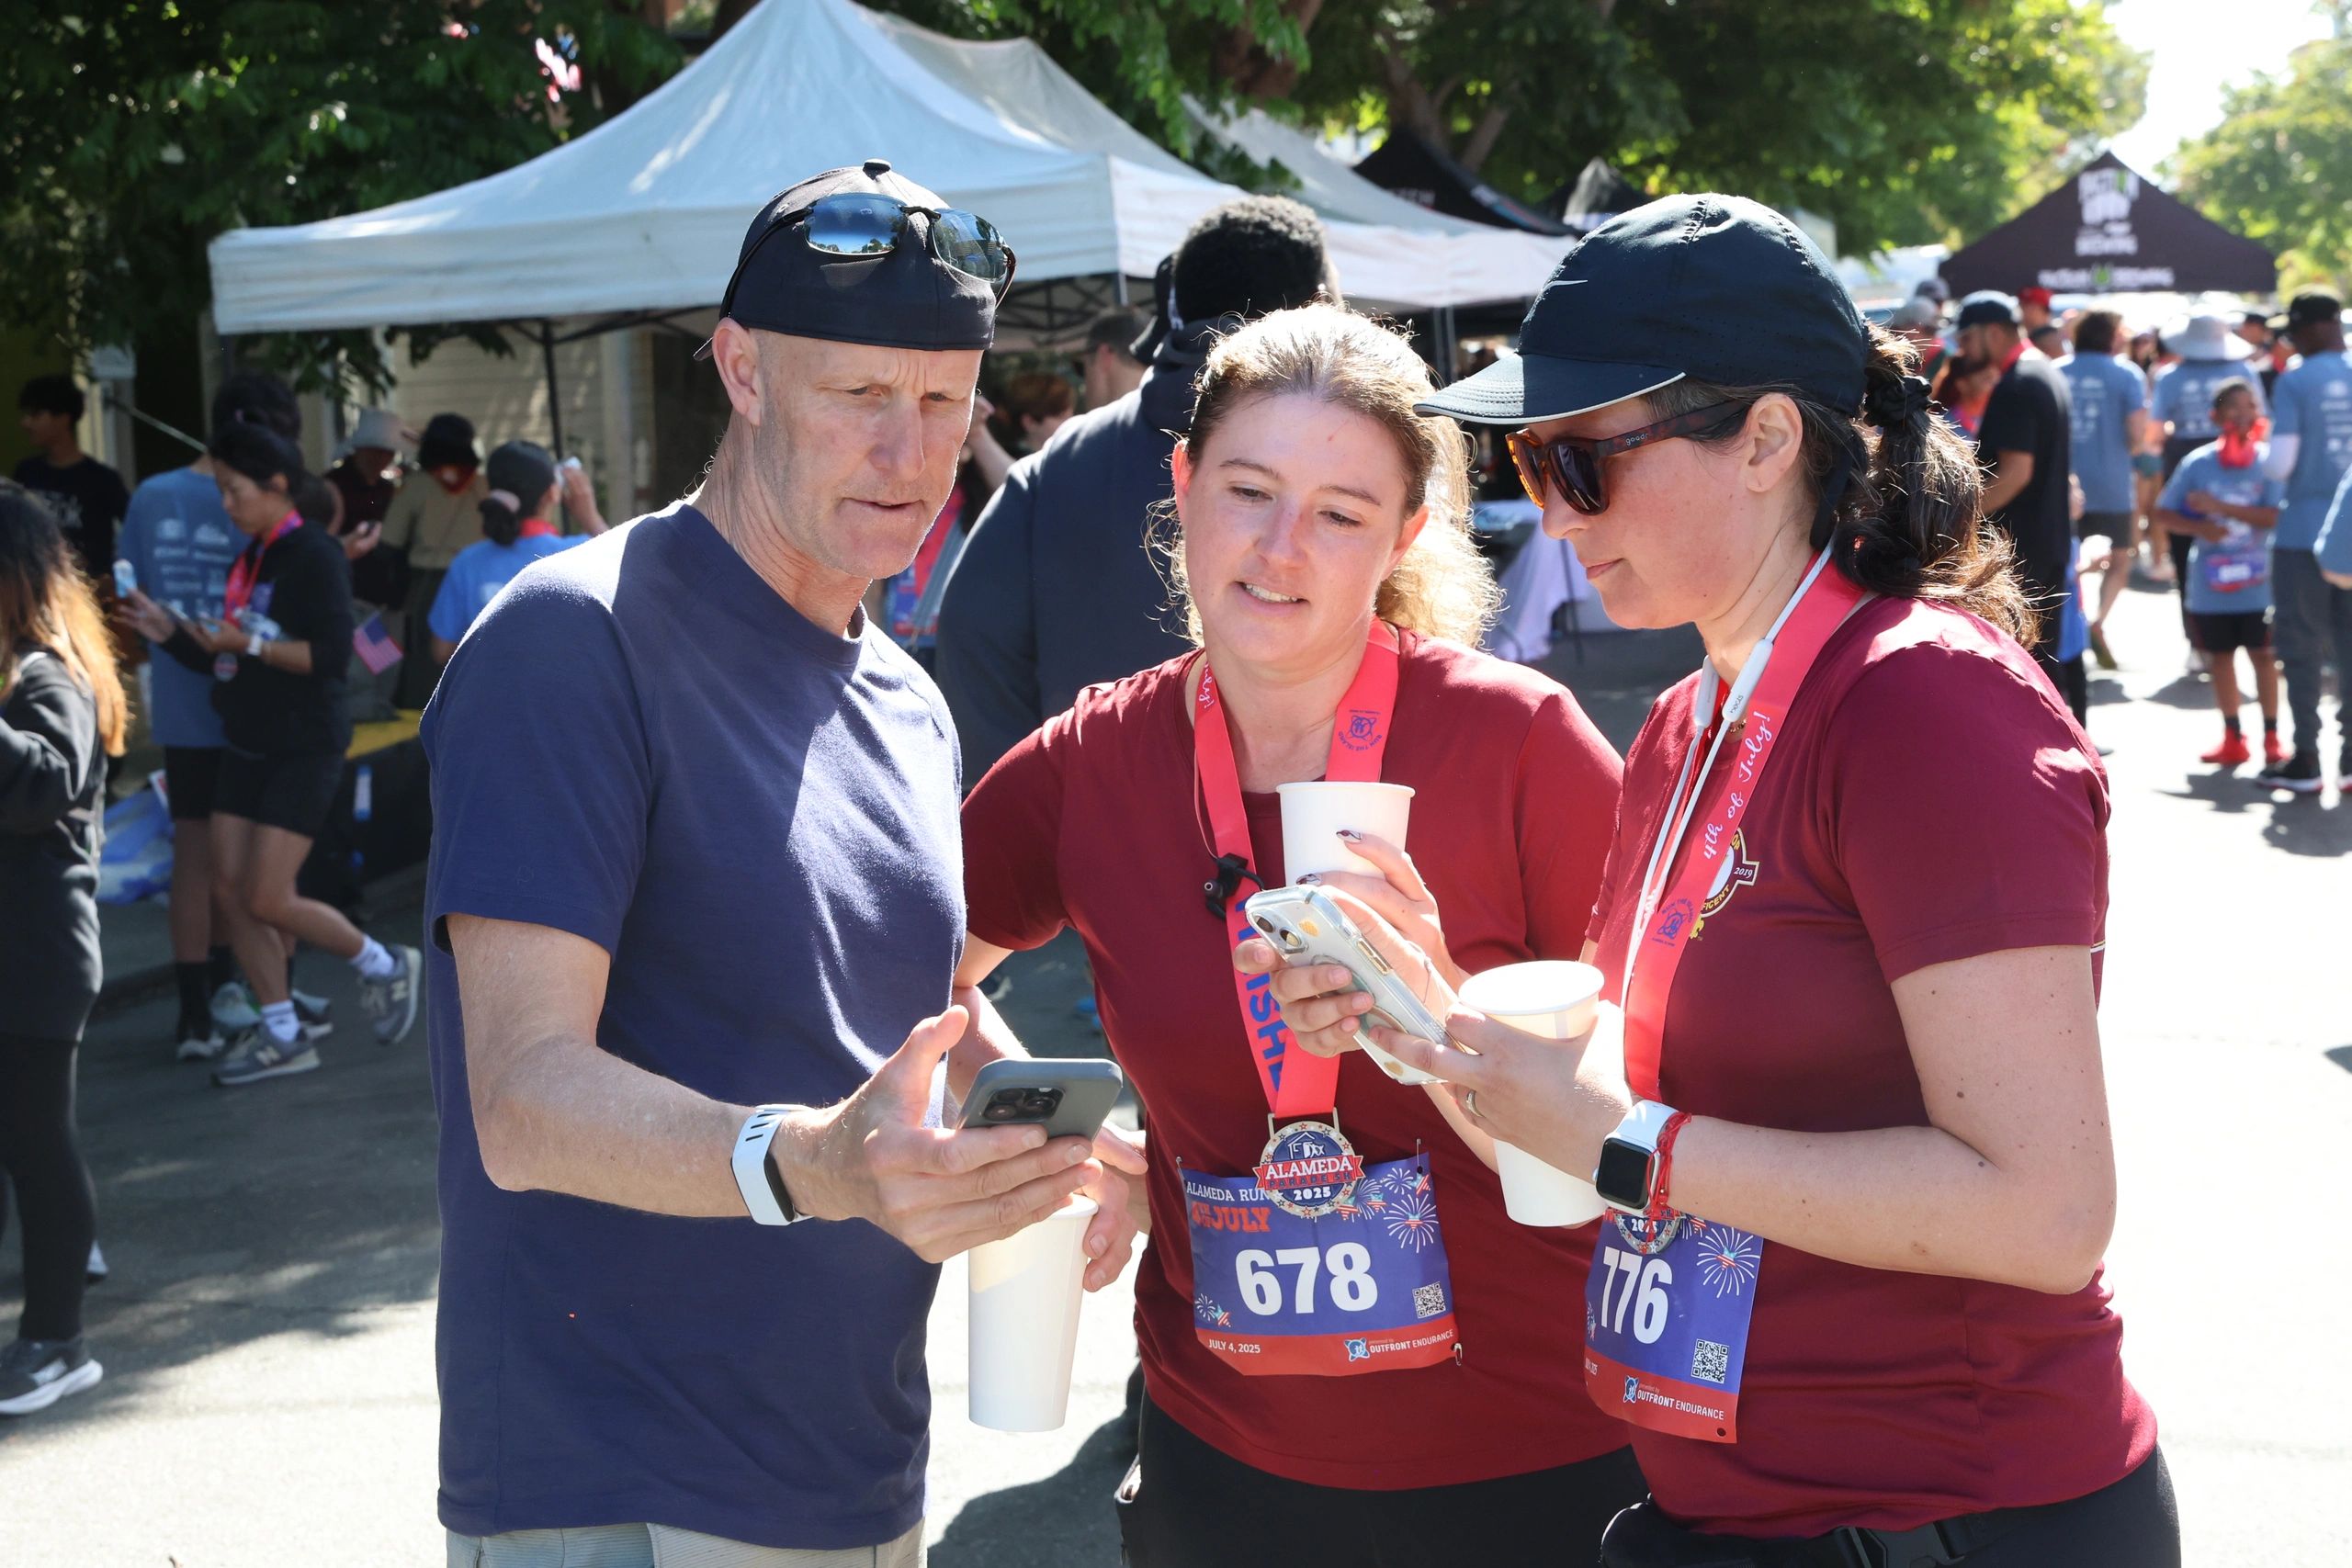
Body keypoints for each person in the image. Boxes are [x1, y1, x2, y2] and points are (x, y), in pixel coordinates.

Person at [1258, 194, 2175, 1565]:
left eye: (1585, 463)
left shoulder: (1925, 702)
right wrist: (1431, 1012)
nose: (1548, 516)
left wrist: (1633, 1144)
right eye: (1525, 462)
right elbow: (1613, 1120)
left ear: (1765, 439)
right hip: (1748, 1511)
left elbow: (2046, 1208)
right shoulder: (1692, 719)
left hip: (1949, 1519)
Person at [421, 159, 1138, 1568]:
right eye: (858, 396)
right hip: (619, 1477)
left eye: (943, 403)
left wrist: (1064, 1133)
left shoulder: (906, 696)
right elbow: (521, 1095)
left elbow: (897, 1002)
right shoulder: (573, 640)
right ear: (742, 371)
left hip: (851, 1462)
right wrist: (815, 1160)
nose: (910, 452)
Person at [958, 304, 1644, 1565]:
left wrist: (1439, 1020)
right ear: (1183, 484)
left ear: (1407, 532)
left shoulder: (1520, 744)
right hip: (1223, 1465)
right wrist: (1052, 1127)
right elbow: (897, 962)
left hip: (1539, 1464)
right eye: (1250, 489)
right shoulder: (1096, 760)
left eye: (1340, 511)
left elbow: (1666, 1100)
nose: (1283, 547)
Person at [937, 195, 1335, 782]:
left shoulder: (1055, 471)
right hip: (1330, 851)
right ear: (1324, 306)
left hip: (1089, 847)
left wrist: (1040, 833)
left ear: (1174, 308)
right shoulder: (1366, 472)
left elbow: (975, 660)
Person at [124, 422, 423, 1086]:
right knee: (229, 890)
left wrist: (247, 647)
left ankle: (383, 961)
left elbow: (330, 657)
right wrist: (168, 633)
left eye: (236, 491)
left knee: (264, 893)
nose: (226, 504)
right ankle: (283, 1029)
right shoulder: (253, 554)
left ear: (277, 486)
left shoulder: (312, 554)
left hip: (301, 746)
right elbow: (229, 649)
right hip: (246, 742)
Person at [115, 373, 314, 1060]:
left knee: (195, 860)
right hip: (253, 711)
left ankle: (196, 1013)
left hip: (180, 705)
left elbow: (133, 597)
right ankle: (262, 997)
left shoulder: (151, 496)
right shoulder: (266, 498)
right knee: (255, 869)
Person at [0, 482, 125, 1417]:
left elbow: (43, 785)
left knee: (40, 1148)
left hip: (37, 952)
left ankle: (57, 1341)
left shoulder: (51, 672)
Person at [1959, 290, 2083, 719]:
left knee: (2031, 675)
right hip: (2043, 544)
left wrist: (1958, 522)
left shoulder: (2021, 382)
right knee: (2045, 671)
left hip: (2024, 552)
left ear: (1993, 333)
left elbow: (2015, 472)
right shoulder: (2041, 372)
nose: (1961, 350)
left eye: (1967, 339)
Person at [2156, 380, 2287, 768]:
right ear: (2215, 416)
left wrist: (2219, 507)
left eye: (2251, 406)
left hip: (2259, 584)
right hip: (2211, 584)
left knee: (2264, 656)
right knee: (2220, 658)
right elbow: (2164, 512)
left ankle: (2273, 737)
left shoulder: (2269, 461)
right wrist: (2200, 526)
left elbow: (2276, 515)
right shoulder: (2197, 463)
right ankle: (2233, 738)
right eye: (2235, 408)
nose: (2244, 415)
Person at [2256, 292, 2352, 793]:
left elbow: (2281, 463)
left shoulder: (2295, 380)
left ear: (2312, 329)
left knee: (2300, 648)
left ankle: (2308, 759)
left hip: (2302, 534)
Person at [425, 441, 606, 663]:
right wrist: (591, 518)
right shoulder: (585, 552)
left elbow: (441, 650)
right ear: (553, 493)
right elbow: (631, 587)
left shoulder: (467, 562)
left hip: (489, 693)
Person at [2153, 313, 2265, 653]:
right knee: (2252, 546)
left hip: (2187, 466)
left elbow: (2155, 432)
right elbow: (2263, 420)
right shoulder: (2244, 372)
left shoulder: (2170, 376)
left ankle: (2198, 642)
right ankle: (2257, 637)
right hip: (2241, 459)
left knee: (2189, 557)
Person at [2061, 310, 2151, 666]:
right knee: (2120, 557)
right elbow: (2136, 438)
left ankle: (2073, 624)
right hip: (2113, 484)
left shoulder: (2057, 370)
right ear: (2112, 337)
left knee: (2068, 560)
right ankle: (2098, 622)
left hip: (2066, 487)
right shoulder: (2128, 374)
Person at [381, 412, 487, 705]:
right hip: (479, 586)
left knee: (425, 665)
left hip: (428, 585)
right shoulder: (484, 486)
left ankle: (419, 735)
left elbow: (389, 542)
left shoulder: (415, 486)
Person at [14, 375, 129, 586]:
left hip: (88, 597)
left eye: (36, 415)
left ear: (63, 418)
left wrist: (115, 582)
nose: (26, 423)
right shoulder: (26, 473)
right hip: (36, 589)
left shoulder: (102, 480)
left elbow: (134, 533)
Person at [1080, 306, 1148, 408]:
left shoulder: (1087, 423)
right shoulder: (1175, 415)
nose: (1084, 389)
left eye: (1084, 370)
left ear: (1103, 356)